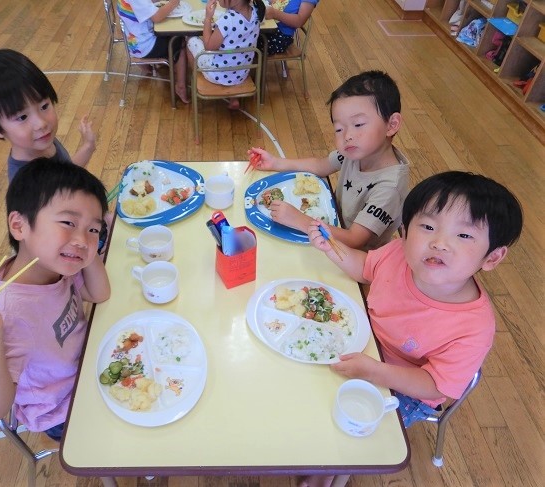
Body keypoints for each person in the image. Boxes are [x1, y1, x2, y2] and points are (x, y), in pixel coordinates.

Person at [302, 171, 523, 487]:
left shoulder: (474, 327)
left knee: (352, 427)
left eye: (464, 236)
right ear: (404, 232)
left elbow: (435, 387)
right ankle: (323, 459)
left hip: (407, 388)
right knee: (307, 391)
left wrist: (376, 372)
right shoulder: (396, 255)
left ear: (492, 257)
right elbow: (365, 268)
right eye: (429, 226)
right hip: (365, 344)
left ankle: (336, 473)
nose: (439, 243)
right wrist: (331, 248)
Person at [0, 159, 110, 440]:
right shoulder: (9, 311)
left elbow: (99, 293)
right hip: (62, 407)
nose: (82, 239)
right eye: (68, 222)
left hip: (89, 361)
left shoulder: (50, 264)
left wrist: (85, 248)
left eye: (94, 229)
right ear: (19, 225)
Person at [248, 70, 409, 250]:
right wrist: (276, 163)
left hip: (352, 258)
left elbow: (355, 240)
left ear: (392, 124)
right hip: (328, 229)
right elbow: (321, 165)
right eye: (339, 129)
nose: (347, 135)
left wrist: (299, 220)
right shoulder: (357, 152)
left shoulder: (389, 187)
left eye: (358, 125)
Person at [0, 49, 96, 182]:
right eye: (22, 117)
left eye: (44, 106)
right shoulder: (29, 184)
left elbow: (68, 176)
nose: (41, 123)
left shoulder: (42, 142)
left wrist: (88, 146)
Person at [187, 0, 265, 110]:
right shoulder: (256, 13)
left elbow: (209, 47)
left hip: (217, 74)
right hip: (241, 73)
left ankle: (198, 79)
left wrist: (208, 18)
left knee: (191, 41)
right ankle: (234, 97)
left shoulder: (228, 20)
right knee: (230, 51)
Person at [117, 0, 189, 104]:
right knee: (180, 40)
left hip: (134, 42)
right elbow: (157, 17)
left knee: (170, 30)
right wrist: (174, 3)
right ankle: (181, 86)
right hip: (145, 46)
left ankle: (160, 65)